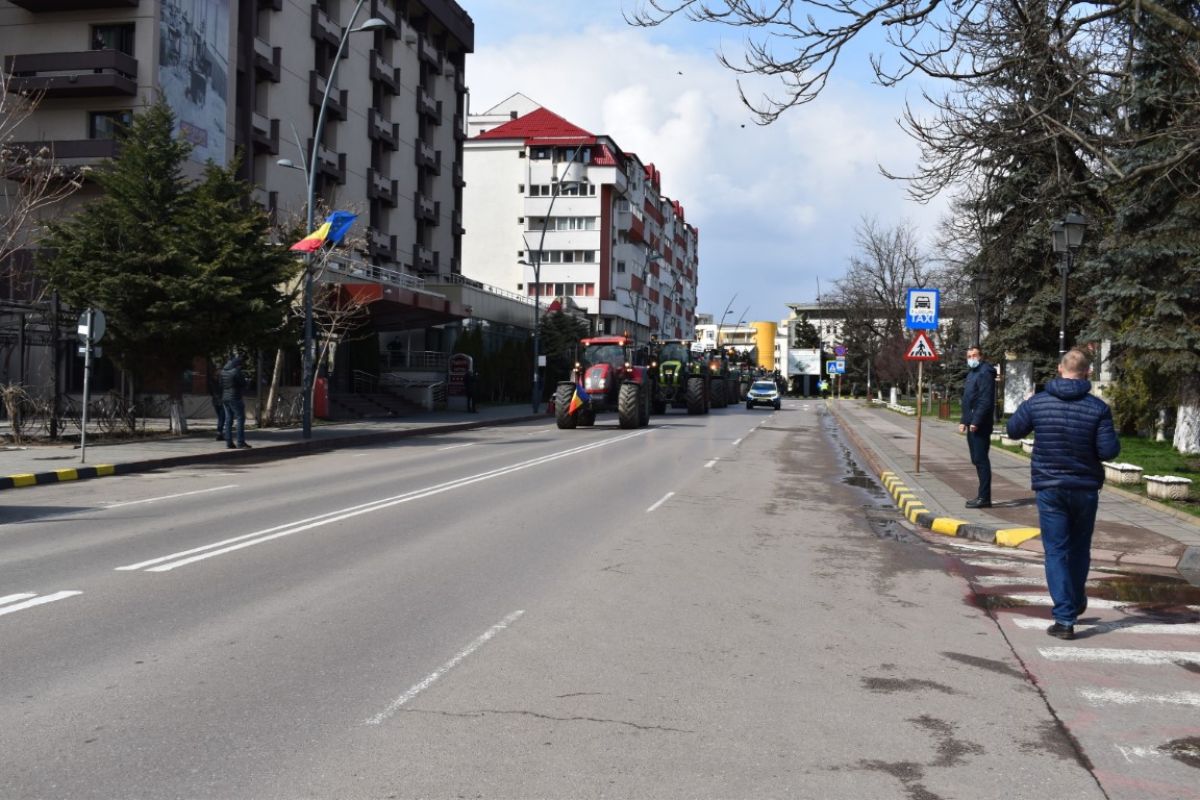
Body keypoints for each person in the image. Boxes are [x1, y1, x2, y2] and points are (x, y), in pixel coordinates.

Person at [1007, 348, 1119, 640]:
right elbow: (1109, 451)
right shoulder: (1098, 408)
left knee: (1056, 550)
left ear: (1059, 368)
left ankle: (1065, 618)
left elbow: (1014, 430)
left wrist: (1026, 404)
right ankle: (1076, 599)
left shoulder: (1038, 402)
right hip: (1085, 488)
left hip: (1050, 487)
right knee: (1080, 548)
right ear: (1088, 373)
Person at [959, 345, 996, 508]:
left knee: (981, 460)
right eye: (969, 356)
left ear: (980, 356)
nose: (971, 359)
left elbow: (985, 400)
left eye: (974, 355)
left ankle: (984, 498)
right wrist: (963, 420)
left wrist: (976, 421)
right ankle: (982, 496)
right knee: (976, 459)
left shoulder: (985, 372)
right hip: (972, 422)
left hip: (980, 424)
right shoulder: (972, 373)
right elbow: (968, 399)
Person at [220, 354, 251, 449]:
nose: (240, 367)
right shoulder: (236, 372)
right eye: (240, 365)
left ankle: (229, 442)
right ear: (237, 365)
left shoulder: (223, 372)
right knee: (240, 418)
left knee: (228, 420)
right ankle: (240, 442)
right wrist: (247, 381)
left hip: (225, 398)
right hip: (235, 397)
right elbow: (243, 384)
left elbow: (220, 384)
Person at [206, 362, 226, 441]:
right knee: (222, 418)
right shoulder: (222, 379)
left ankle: (219, 433)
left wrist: (214, 396)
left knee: (220, 417)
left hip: (215, 400)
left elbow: (210, 391)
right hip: (222, 400)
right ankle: (219, 433)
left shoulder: (211, 379)